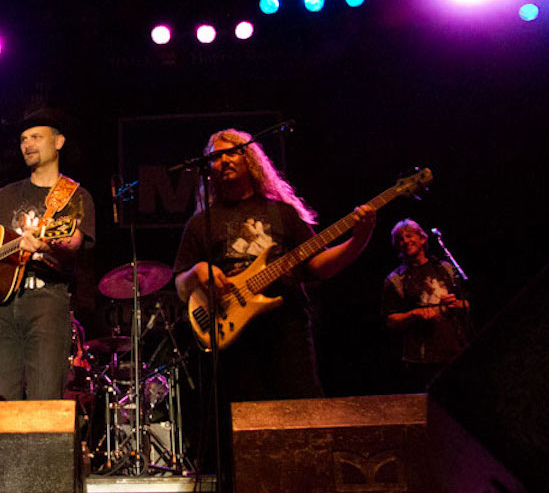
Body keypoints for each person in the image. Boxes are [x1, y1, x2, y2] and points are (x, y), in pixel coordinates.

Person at [172, 129, 375, 487]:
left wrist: (359, 239)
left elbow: (317, 266)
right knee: (246, 432)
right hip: (235, 341)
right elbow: (180, 284)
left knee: (305, 416)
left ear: (250, 160)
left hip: (288, 331)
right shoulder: (201, 222)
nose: (224, 161)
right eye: (216, 157)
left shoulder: (281, 214)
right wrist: (198, 271)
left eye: (233, 153)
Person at [0, 111, 95, 400]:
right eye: (23, 139)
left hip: (47, 303)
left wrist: (45, 245)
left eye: (36, 137)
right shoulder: (5, 195)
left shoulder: (75, 195)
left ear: (59, 141)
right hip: (1, 307)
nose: (27, 144)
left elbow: (72, 242)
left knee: (44, 402)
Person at [381, 219, 470, 391]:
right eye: (400, 239)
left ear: (422, 239)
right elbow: (390, 321)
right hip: (421, 362)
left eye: (409, 235)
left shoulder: (445, 268)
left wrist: (456, 305)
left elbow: (468, 305)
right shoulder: (395, 280)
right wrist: (414, 314)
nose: (405, 241)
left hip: (456, 352)